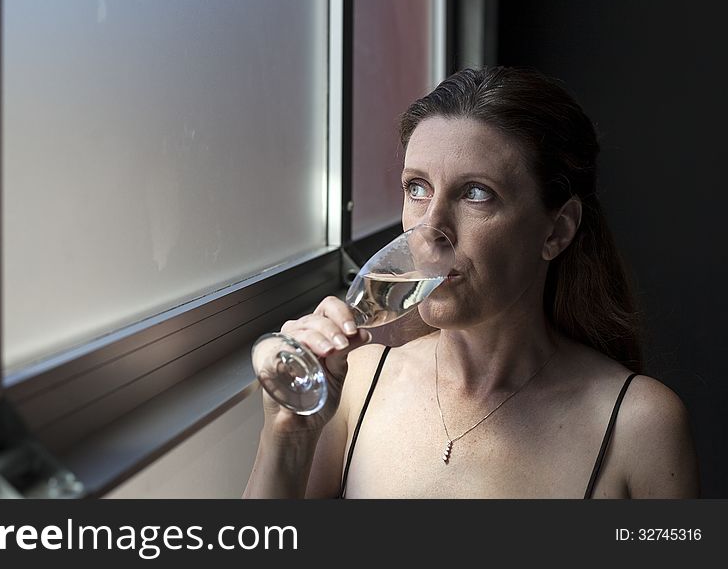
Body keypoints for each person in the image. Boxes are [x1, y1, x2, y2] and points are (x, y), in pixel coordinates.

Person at [243, 66, 700, 499]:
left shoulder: (639, 426)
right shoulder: (357, 384)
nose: (431, 229)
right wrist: (285, 437)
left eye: (476, 193)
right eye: (417, 188)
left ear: (556, 230)